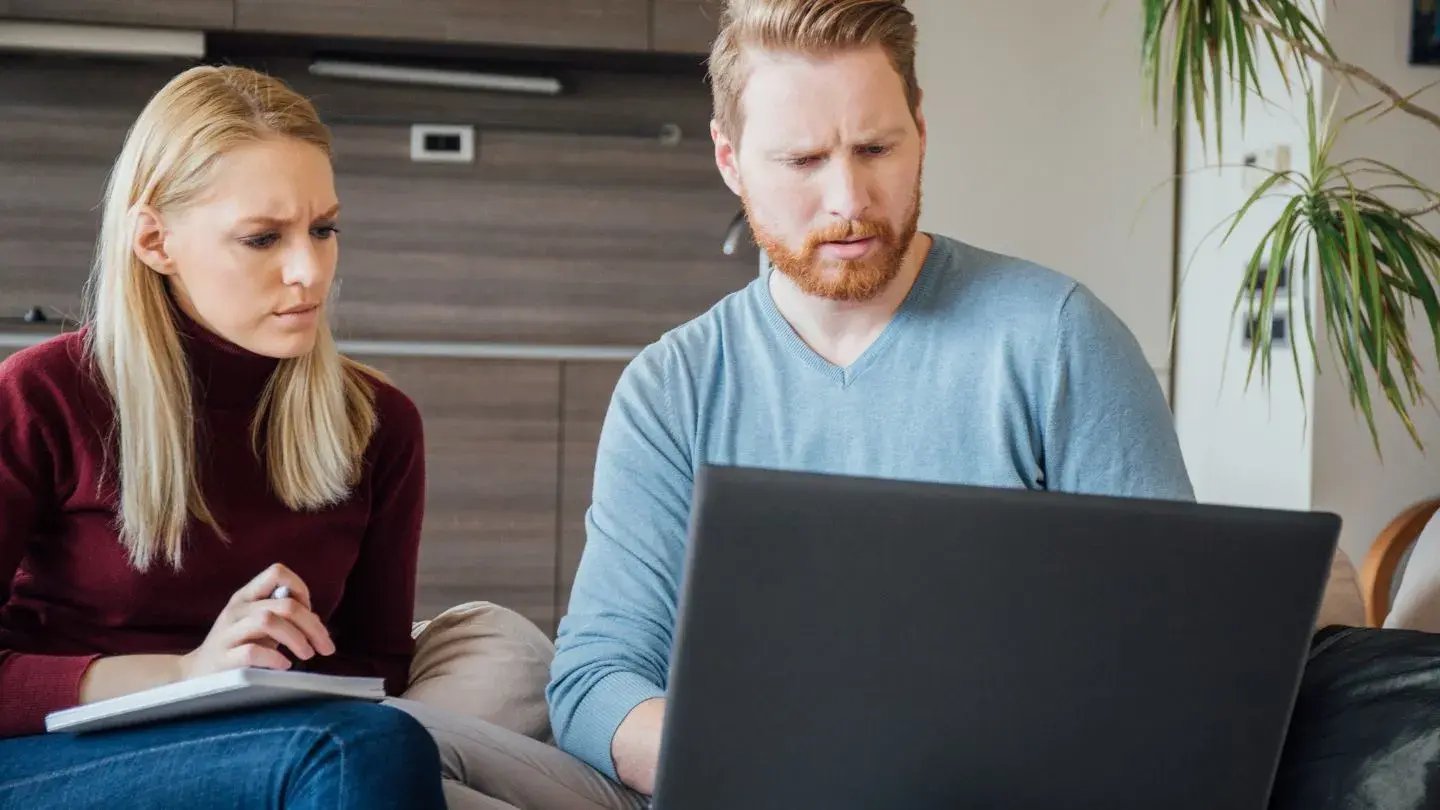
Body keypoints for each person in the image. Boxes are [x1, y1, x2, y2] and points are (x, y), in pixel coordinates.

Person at [549, 2, 1440, 807]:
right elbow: (593, 680)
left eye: (876, 147)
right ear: (730, 160)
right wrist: (771, 771)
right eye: (804, 160)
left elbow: (1171, 660)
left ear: (923, 129)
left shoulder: (1058, 339)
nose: (849, 199)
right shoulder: (671, 389)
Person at [0, 65, 444, 808]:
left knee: (372, 742)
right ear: (153, 240)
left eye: (323, 229)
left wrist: (259, 674)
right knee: (361, 750)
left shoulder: (378, 422)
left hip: (260, 742)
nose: (310, 271)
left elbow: (378, 666)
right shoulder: (41, 395)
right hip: (45, 750)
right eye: (262, 238)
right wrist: (183, 673)